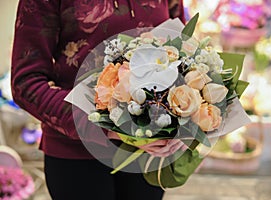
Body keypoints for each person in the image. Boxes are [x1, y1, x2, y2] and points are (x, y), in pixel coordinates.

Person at [11, 0, 185, 199]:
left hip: (149, 156)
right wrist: (115, 127)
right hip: (76, 155)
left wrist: (183, 118)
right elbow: (26, 83)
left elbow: (182, 52)